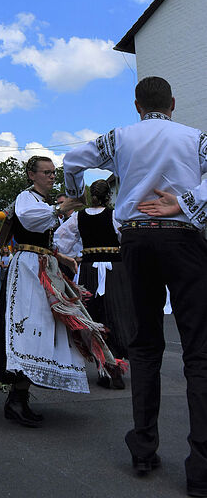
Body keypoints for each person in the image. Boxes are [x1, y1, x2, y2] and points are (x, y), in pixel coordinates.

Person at [63, 76, 207, 493]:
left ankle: (144, 447)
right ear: (174, 102)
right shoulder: (195, 139)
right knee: (198, 350)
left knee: (145, 346)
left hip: (138, 238)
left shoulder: (120, 137)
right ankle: (201, 467)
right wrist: (184, 201)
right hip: (182, 237)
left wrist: (73, 194)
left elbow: (73, 160)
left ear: (137, 106)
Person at [0, 156, 120, 428]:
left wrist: (64, 258)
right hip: (26, 269)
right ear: (31, 175)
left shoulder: (41, 203)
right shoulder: (26, 198)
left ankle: (19, 396)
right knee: (27, 326)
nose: (51, 176)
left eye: (52, 172)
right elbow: (29, 220)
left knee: (42, 327)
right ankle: (16, 398)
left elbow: (46, 238)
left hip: (42, 267)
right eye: (46, 172)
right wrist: (60, 210)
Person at [54, 179, 135, 389]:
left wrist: (69, 257)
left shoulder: (78, 218)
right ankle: (114, 365)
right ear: (109, 196)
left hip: (89, 270)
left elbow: (59, 240)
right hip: (115, 271)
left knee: (94, 317)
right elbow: (129, 239)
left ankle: (104, 366)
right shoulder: (115, 215)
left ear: (91, 196)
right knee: (117, 314)